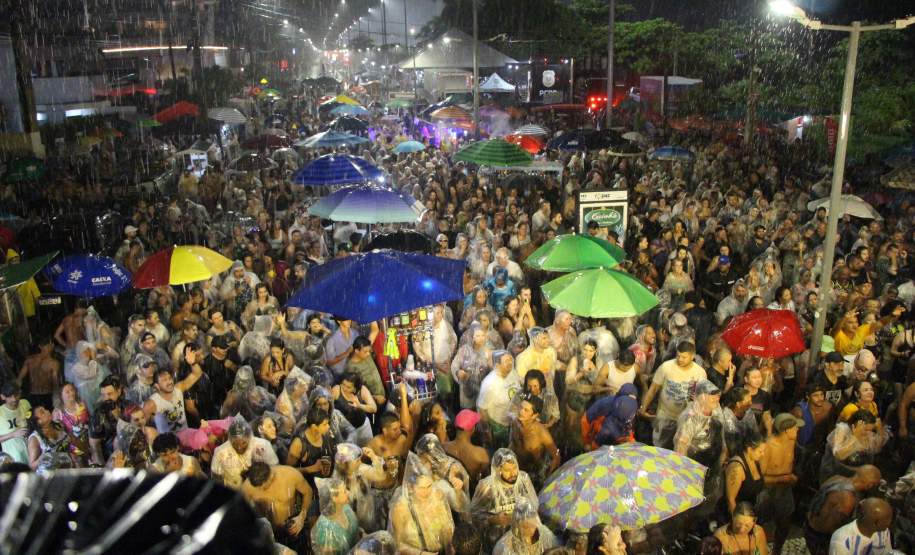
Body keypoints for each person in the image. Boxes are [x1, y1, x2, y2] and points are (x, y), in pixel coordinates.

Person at [639, 341, 707, 450]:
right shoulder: (666, 367)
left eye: (684, 357)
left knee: (680, 450)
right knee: (659, 447)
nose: (680, 359)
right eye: (678, 356)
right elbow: (653, 390)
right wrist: (643, 408)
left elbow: (703, 397)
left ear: (692, 357)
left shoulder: (700, 372)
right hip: (665, 416)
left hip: (686, 419)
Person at [470, 448, 539, 553]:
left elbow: (534, 506)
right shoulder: (486, 486)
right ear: (498, 470)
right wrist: (493, 519)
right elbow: (472, 514)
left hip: (520, 539)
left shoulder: (524, 479)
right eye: (507, 470)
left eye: (515, 467)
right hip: (494, 542)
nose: (513, 473)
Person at [803, 465, 883, 555]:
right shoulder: (849, 499)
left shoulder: (836, 478)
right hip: (818, 538)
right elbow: (834, 529)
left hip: (808, 524)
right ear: (870, 485)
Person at [389, 452, 455, 555]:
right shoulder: (401, 507)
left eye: (429, 486)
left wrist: (449, 550)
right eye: (421, 488)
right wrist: (420, 554)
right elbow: (397, 543)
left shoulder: (437, 497)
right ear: (411, 487)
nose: (426, 492)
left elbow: (448, 528)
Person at [757, 414, 802, 555]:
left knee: (784, 525)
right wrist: (784, 478)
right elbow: (759, 478)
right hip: (766, 490)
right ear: (786, 431)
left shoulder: (792, 441)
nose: (797, 430)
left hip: (784, 490)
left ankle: (776, 551)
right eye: (795, 428)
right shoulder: (768, 446)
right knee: (757, 525)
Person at [242, 461, 313, 553]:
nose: (261, 490)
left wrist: (302, 516)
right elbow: (241, 512)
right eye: (258, 488)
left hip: (291, 528)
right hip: (266, 533)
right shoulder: (246, 487)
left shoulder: (291, 475)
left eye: (264, 487)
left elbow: (308, 492)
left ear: (271, 476)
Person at [819, 409, 887, 484]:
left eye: (870, 430)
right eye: (866, 430)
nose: (868, 433)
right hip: (839, 475)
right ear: (855, 425)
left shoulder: (867, 433)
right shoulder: (842, 430)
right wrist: (854, 437)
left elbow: (876, 449)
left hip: (860, 476)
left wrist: (880, 432)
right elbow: (838, 454)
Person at [211, 414, 278, 488]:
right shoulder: (220, 452)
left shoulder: (263, 446)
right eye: (234, 444)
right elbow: (217, 479)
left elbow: (276, 470)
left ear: (248, 438)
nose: (239, 447)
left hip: (259, 492)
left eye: (243, 443)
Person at [333, 443, 388, 531]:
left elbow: (380, 477)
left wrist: (374, 458)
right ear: (346, 463)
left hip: (368, 520)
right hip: (348, 526)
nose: (361, 463)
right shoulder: (336, 479)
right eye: (357, 461)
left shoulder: (362, 470)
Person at [510, 396, 560, 489]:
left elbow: (556, 456)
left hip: (534, 476)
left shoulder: (541, 432)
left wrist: (548, 479)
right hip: (516, 471)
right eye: (521, 407)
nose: (521, 412)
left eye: (526, 410)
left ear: (535, 415)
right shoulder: (515, 423)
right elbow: (513, 443)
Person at [478, 350, 522, 450]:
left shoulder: (512, 373)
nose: (510, 363)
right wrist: (486, 431)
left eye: (510, 360)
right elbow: (482, 409)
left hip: (514, 422)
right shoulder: (490, 384)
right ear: (497, 365)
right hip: (499, 426)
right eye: (506, 361)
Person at [288, 405, 337, 492]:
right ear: (314, 426)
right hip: (308, 489)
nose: (328, 426)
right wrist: (311, 468)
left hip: (326, 486)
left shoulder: (324, 435)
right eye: (325, 424)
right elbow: (288, 472)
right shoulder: (299, 443)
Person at [443, 410, 490, 490]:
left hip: (450, 491)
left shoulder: (443, 447)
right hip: (472, 493)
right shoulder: (481, 454)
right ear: (473, 429)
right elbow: (486, 480)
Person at [312, 477, 360, 555]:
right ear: (334, 498)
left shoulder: (346, 509)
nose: (348, 492)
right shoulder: (325, 527)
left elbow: (357, 532)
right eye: (344, 491)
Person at [452, 323, 494, 410]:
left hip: (483, 391)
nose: (481, 338)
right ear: (472, 337)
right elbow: (455, 366)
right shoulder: (464, 350)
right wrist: (458, 372)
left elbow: (493, 372)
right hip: (466, 391)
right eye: (478, 336)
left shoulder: (489, 352)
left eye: (483, 335)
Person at [828, 498, 893, 555]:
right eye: (889, 518)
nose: (891, 521)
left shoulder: (883, 532)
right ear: (878, 523)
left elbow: (887, 552)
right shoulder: (842, 542)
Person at [17, 337, 61, 410]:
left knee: (35, 417)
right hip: (47, 395)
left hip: (33, 395)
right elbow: (55, 382)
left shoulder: (29, 360)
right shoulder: (54, 363)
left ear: (40, 346)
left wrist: (17, 395)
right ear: (52, 345)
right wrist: (58, 399)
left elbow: (19, 378)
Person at [0, 383, 31, 464]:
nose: (14, 399)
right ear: (2, 397)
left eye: (16, 395)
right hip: (14, 459)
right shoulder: (0, 413)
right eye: (10, 397)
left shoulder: (25, 404)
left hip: (31, 454)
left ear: (20, 392)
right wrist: (13, 434)